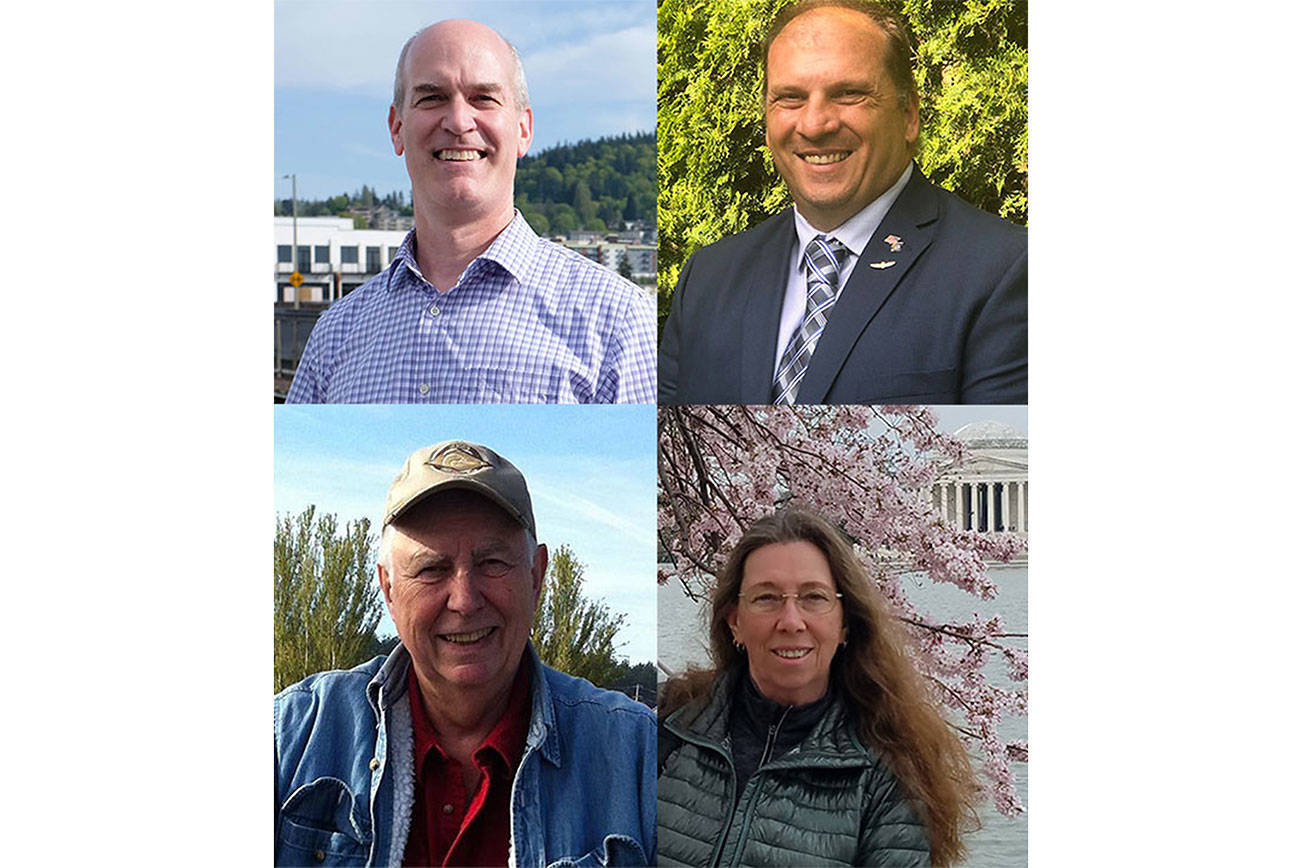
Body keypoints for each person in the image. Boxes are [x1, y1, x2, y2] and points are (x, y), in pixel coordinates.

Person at [275, 440, 656, 866]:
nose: (465, 599)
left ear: (536, 576)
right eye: (432, 569)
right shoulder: (292, 737)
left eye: (493, 562)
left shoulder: (639, 755)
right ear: (388, 588)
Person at [658, 0, 1027, 405]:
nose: (815, 124)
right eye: (790, 98)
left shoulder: (1003, 271)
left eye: (849, 94)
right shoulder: (708, 279)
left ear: (909, 115)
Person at [287, 20, 656, 404]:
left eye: (483, 98)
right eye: (431, 98)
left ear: (523, 129)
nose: (459, 122)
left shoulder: (619, 322)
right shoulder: (335, 334)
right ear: (397, 128)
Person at [657, 508, 976, 867]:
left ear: (844, 624)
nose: (791, 621)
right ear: (735, 622)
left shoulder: (890, 775)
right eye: (766, 598)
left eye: (814, 597)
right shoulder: (670, 722)